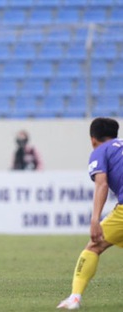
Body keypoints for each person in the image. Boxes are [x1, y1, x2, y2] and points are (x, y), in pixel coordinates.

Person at [57, 117, 122, 310]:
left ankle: (75, 298)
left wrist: (95, 219)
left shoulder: (100, 151)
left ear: (93, 139)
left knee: (94, 246)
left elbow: (101, 183)